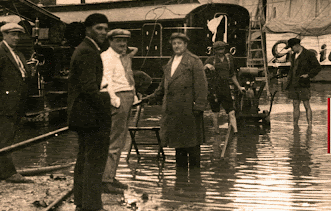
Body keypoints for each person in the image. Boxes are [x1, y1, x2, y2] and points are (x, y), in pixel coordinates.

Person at [67, 13, 113, 211]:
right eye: (99, 28)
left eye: (105, 28)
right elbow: (89, 89)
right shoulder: (88, 51)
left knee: (84, 159)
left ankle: (82, 202)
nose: (103, 32)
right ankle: (92, 206)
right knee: (94, 162)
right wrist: (108, 100)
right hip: (91, 115)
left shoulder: (85, 49)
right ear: (88, 30)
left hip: (83, 114)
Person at [145, 32, 208, 169]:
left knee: (192, 144)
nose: (177, 46)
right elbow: (164, 85)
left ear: (185, 45)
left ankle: (195, 180)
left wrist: (199, 106)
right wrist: (153, 96)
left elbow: (201, 85)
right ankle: (181, 181)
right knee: (179, 145)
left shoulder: (194, 61)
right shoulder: (171, 61)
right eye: (174, 43)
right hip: (173, 111)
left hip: (189, 110)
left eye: (179, 43)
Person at [0, 22, 32, 183]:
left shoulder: (16, 53)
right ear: (4, 35)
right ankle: (9, 173)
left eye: (18, 35)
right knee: (5, 138)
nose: (16, 38)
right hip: (3, 104)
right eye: (13, 34)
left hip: (15, 103)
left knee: (5, 138)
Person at [99, 29, 138, 195]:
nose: (123, 44)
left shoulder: (122, 57)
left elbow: (126, 77)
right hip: (118, 100)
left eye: (125, 41)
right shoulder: (107, 57)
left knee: (120, 140)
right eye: (118, 40)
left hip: (127, 97)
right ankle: (106, 180)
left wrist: (133, 97)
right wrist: (115, 101)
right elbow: (105, 82)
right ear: (110, 41)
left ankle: (111, 176)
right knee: (114, 140)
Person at [204, 41, 244, 133]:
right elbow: (202, 70)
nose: (221, 51)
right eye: (218, 49)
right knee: (215, 112)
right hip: (214, 88)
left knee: (231, 111)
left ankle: (235, 131)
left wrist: (239, 87)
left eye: (222, 48)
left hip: (225, 87)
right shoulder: (211, 60)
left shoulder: (229, 59)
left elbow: (232, 75)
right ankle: (217, 132)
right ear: (215, 50)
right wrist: (207, 66)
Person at [284, 38, 321, 127]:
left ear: (297, 45)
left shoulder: (309, 54)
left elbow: (317, 67)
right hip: (293, 84)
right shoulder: (293, 56)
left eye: (292, 47)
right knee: (295, 105)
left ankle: (310, 125)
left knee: (306, 104)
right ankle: (295, 125)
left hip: (303, 84)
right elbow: (292, 69)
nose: (291, 49)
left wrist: (308, 75)